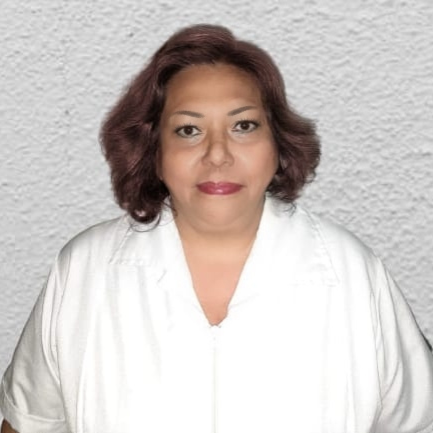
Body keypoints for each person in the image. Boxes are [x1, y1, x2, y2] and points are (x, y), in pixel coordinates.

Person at [1, 24, 432, 433]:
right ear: (154, 151)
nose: (218, 154)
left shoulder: (352, 274)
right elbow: (30, 422)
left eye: (243, 126)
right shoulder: (84, 271)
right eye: (188, 130)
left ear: (277, 144)